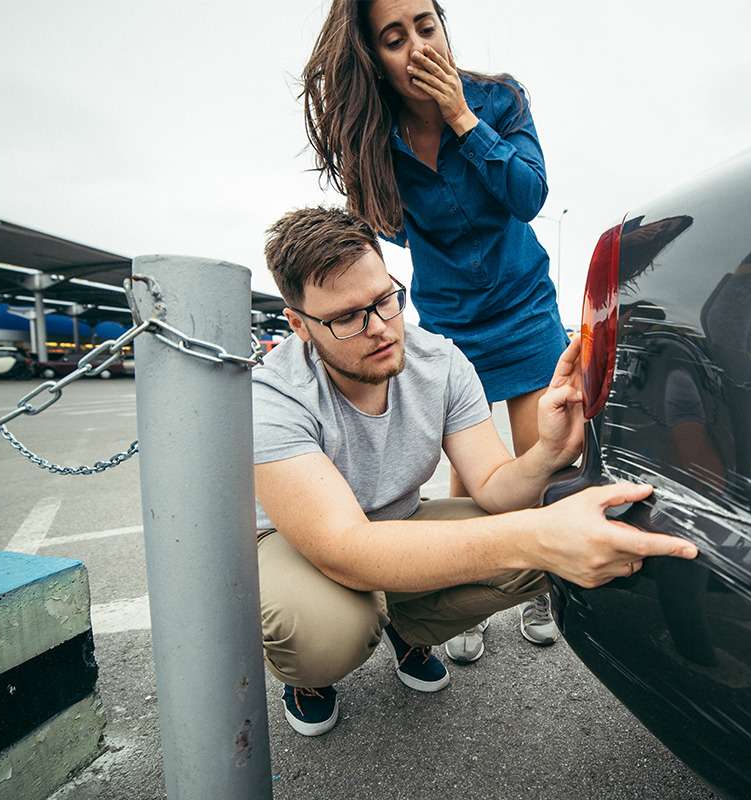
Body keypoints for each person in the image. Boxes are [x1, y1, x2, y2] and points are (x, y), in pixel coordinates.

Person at [254, 206, 698, 736]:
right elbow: (344, 549)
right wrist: (535, 536)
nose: (379, 329)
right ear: (300, 325)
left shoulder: (438, 360)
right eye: (348, 317)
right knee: (325, 632)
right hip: (299, 543)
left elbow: (493, 489)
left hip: (395, 523)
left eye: (385, 300)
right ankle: (309, 677)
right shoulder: (273, 394)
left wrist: (549, 452)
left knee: (541, 546)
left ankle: (407, 628)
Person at [301, 0, 569, 659]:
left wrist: (461, 119)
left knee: (537, 463)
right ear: (376, 61)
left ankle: (538, 588)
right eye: (395, 38)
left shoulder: (499, 99)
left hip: (524, 305)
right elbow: (388, 226)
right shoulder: (376, 139)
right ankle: (466, 591)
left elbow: (528, 196)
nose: (419, 46)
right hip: (451, 322)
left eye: (427, 24)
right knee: (472, 475)